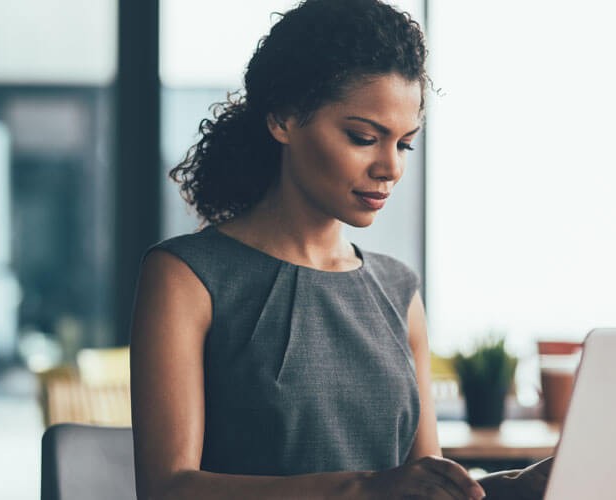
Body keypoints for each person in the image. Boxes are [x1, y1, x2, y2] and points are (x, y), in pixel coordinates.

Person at [130, 1, 552, 498]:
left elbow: (426, 485)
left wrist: (524, 485)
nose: (390, 167)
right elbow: (168, 488)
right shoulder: (185, 277)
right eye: (364, 137)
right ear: (284, 118)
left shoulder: (398, 290)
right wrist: (364, 489)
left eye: (404, 144)